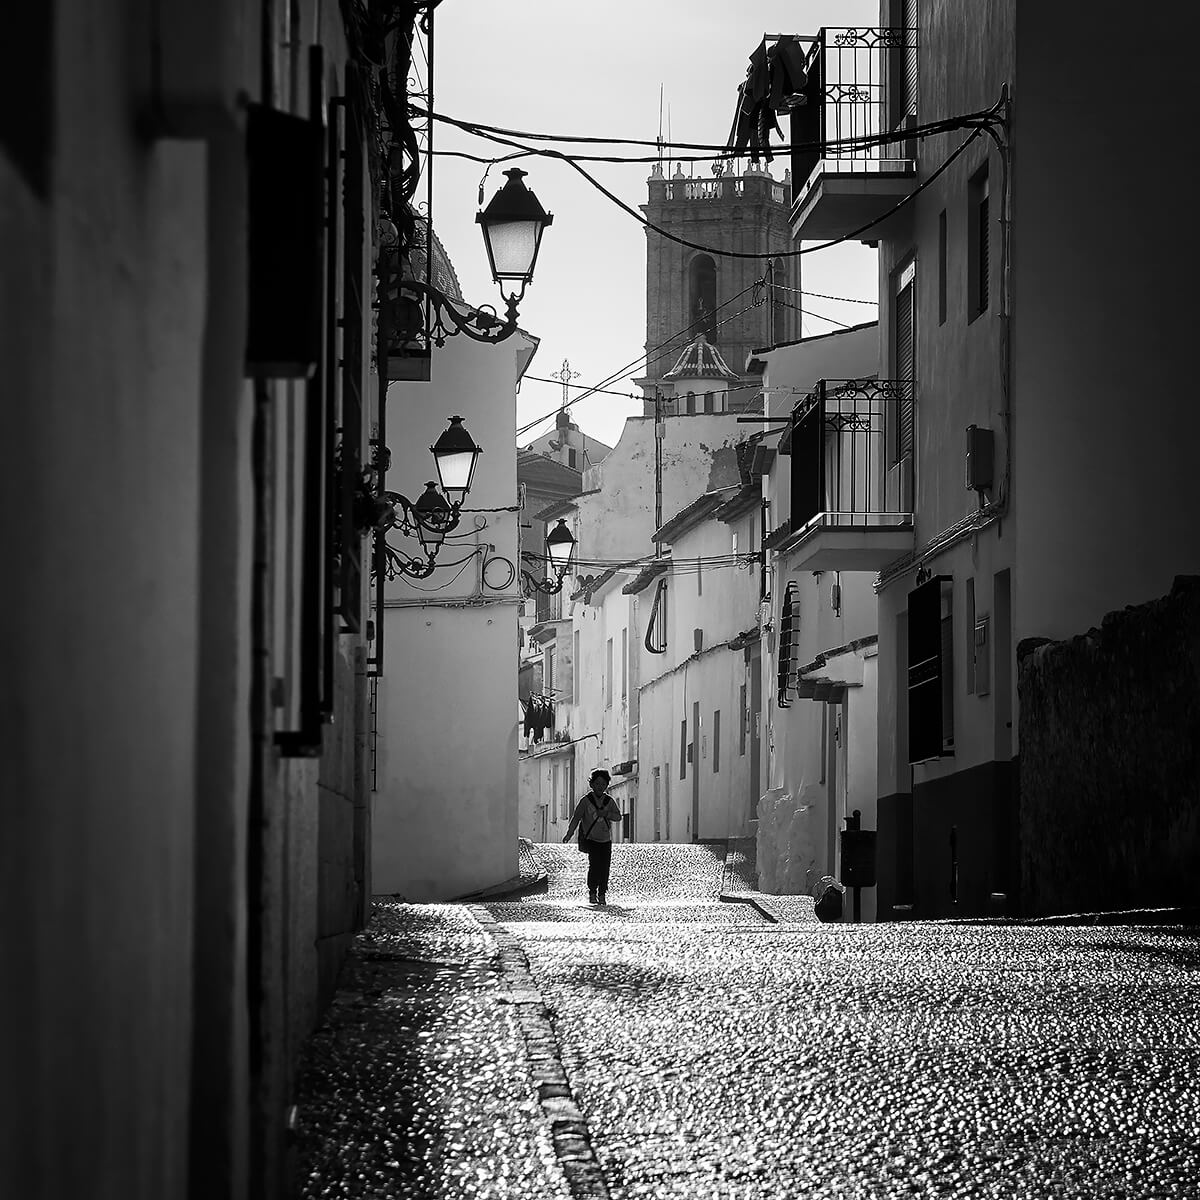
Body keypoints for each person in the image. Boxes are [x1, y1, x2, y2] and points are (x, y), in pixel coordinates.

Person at [562, 768, 622, 905]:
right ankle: (592, 892)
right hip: (592, 840)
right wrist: (569, 834)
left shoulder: (609, 801)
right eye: (597, 784)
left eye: (603, 784)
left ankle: (602, 893)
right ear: (592, 785)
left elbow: (618, 817)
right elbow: (576, 817)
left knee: (605, 867)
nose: (600, 787)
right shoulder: (585, 801)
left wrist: (606, 814)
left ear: (607, 785)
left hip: (606, 840)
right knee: (594, 865)